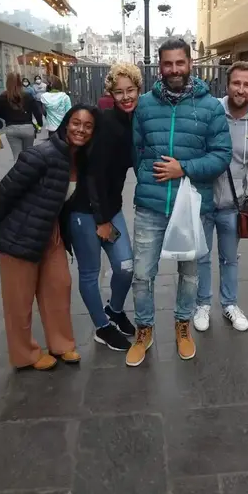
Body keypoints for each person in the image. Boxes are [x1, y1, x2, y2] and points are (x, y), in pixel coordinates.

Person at [126, 38, 232, 367]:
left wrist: (183, 168)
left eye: (180, 63)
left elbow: (222, 155)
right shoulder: (145, 105)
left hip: (191, 208)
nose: (174, 69)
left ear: (190, 64)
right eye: (168, 64)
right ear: (160, 67)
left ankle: (182, 326)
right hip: (151, 206)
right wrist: (148, 179)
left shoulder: (210, 107)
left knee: (189, 273)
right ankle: (144, 330)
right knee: (142, 275)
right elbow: (137, 151)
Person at [0, 104, 98, 370]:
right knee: (19, 301)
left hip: (51, 233)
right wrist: (2, 227)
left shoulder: (80, 159)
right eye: (76, 123)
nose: (81, 130)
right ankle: (25, 355)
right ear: (65, 124)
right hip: (21, 235)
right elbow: (3, 192)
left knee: (59, 286)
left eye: (88, 126)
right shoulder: (41, 154)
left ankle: (61, 344)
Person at [68, 63, 142, 351]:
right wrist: (100, 219)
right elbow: (93, 174)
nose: (126, 97)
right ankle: (101, 326)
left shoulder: (131, 120)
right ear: (111, 93)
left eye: (130, 90)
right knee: (90, 272)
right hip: (85, 210)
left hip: (111, 207)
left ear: (138, 90)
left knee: (125, 266)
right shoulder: (107, 123)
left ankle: (114, 309)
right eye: (119, 92)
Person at [195, 61, 248, 333]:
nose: (240, 89)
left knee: (230, 258)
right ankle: (202, 304)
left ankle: (229, 303)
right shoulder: (211, 110)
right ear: (227, 85)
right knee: (201, 256)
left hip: (233, 203)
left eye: (247, 84)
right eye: (236, 83)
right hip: (203, 200)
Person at [0, 72, 43, 162]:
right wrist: (39, 124)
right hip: (27, 127)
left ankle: (18, 170)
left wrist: (8, 117)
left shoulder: (3, 97)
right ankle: (28, 170)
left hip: (11, 127)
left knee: (17, 157)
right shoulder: (27, 95)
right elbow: (37, 112)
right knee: (28, 155)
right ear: (20, 82)